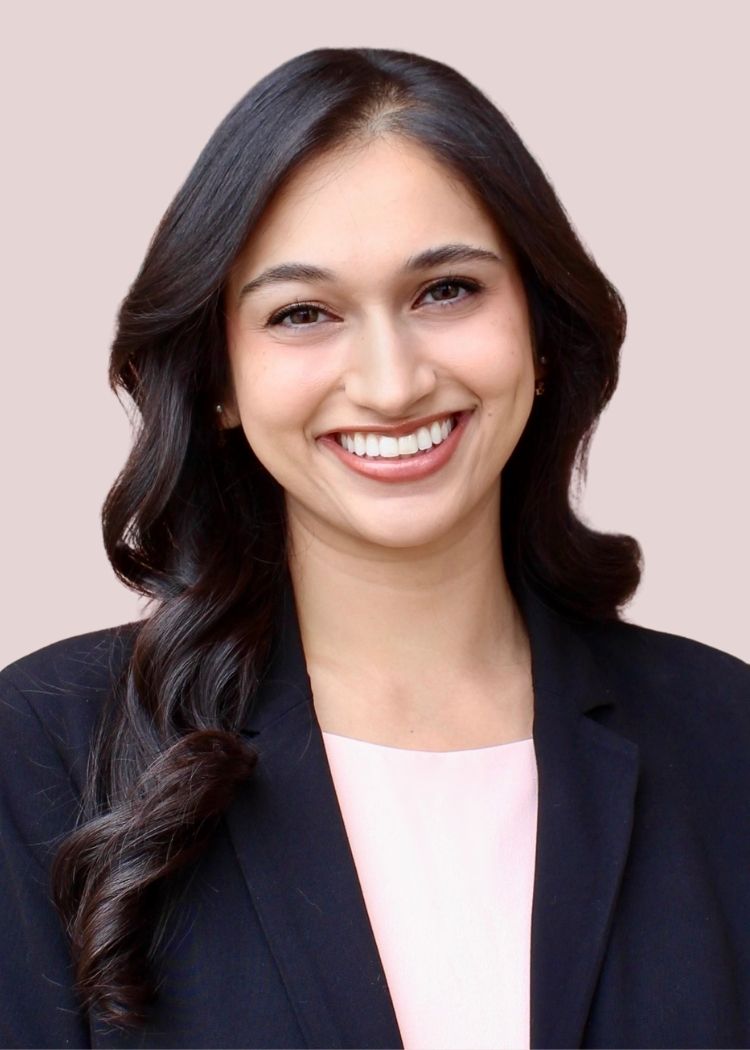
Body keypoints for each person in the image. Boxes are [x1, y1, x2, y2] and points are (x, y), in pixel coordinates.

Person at [0, 45, 748, 1050]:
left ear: (538, 329)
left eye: (446, 291)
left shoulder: (725, 738)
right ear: (220, 379)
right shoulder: (46, 751)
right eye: (302, 314)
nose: (392, 384)